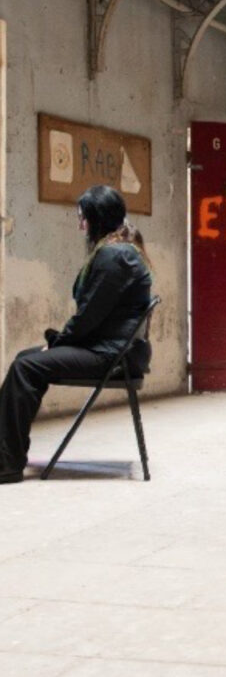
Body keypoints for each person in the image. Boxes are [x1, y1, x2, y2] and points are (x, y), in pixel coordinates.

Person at [0, 185, 152, 484]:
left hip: (112, 355)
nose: (80, 224)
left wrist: (56, 343)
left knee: (25, 367)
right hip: (112, 348)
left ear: (97, 219)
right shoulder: (119, 250)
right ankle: (9, 453)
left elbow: (88, 318)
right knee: (25, 359)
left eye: (83, 217)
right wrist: (54, 344)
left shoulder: (114, 256)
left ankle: (8, 463)